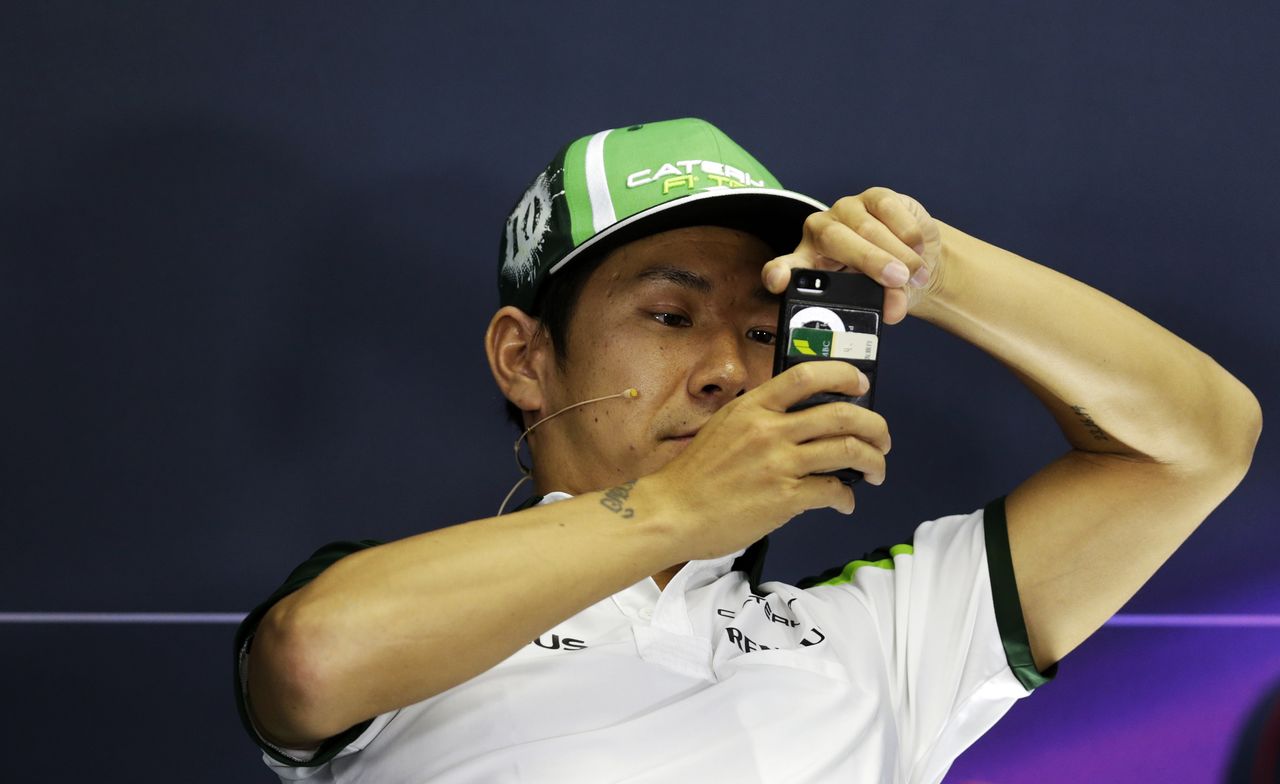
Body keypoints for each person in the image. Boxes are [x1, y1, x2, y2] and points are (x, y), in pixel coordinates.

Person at [233, 118, 1261, 783]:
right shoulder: (414, 615)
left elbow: (1196, 442)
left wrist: (934, 272)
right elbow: (311, 656)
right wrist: (677, 511)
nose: (729, 368)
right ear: (524, 359)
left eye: (765, 329)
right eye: (671, 315)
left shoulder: (884, 638)